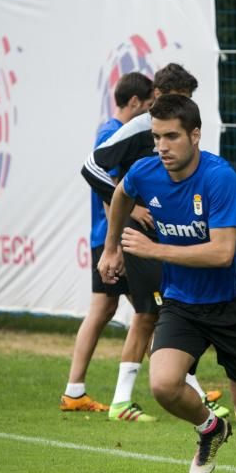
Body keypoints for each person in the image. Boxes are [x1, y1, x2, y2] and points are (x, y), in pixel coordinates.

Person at [98, 93, 236, 473]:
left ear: (196, 134)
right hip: (182, 302)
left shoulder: (218, 177)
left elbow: (222, 253)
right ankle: (208, 428)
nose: (162, 147)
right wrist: (112, 247)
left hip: (233, 303)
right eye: (156, 137)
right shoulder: (144, 172)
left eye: (171, 136)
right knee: (164, 384)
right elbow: (120, 195)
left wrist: (154, 250)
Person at [80, 63, 229, 420]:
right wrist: (131, 211)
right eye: (181, 99)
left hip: (161, 236)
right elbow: (92, 167)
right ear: (159, 97)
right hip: (143, 238)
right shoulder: (141, 127)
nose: (185, 109)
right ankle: (125, 399)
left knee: (156, 313)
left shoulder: (176, 138)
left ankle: (173, 389)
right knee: (154, 313)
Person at [61, 72, 153, 416]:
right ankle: (78, 391)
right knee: (144, 311)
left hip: (110, 238)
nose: (150, 112)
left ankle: (75, 390)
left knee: (133, 311)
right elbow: (106, 186)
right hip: (111, 239)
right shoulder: (113, 134)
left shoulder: (110, 130)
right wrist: (122, 228)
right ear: (134, 103)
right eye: (147, 105)